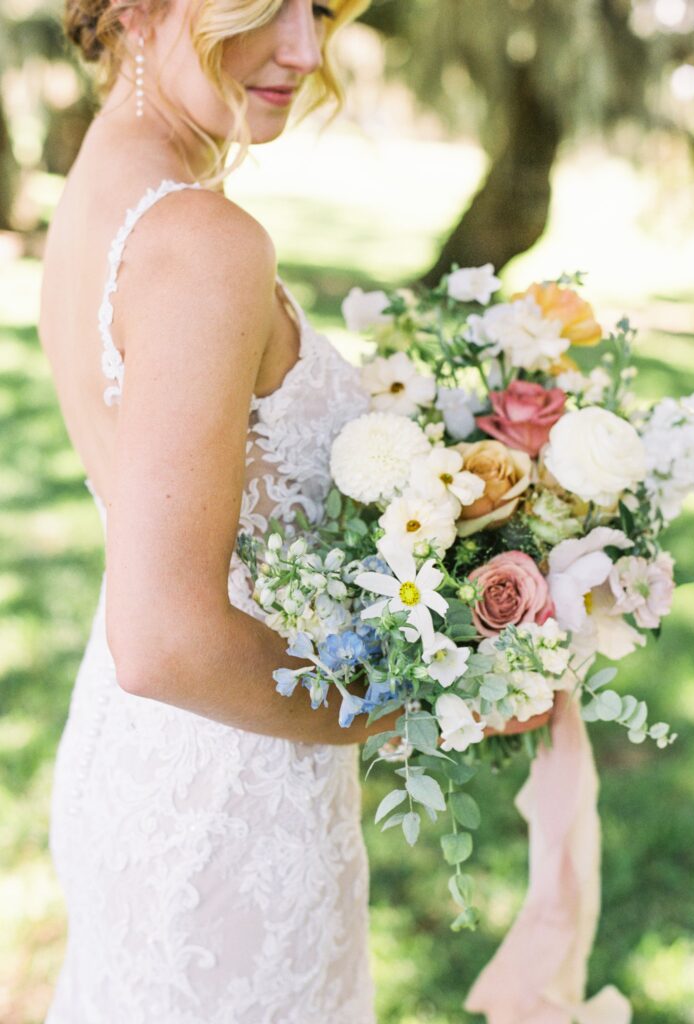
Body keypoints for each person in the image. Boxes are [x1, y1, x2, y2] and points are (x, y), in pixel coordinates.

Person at [37, 0, 388, 1019]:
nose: (306, 48)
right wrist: (404, 700)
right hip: (234, 799)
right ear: (140, 6)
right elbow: (161, 638)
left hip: (140, 758)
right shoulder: (203, 241)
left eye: (319, 7)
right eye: (266, 4)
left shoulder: (108, 179)